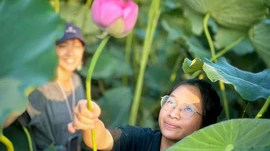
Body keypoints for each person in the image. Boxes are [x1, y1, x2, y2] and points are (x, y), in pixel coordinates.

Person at [68, 78, 223, 151]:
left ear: (204, 124)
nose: (174, 113)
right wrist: (90, 120)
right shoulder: (140, 139)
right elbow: (102, 139)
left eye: (188, 109)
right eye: (171, 102)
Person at [22, 22, 86, 151]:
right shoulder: (39, 86)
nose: (70, 53)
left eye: (77, 46)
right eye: (62, 46)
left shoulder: (77, 80)